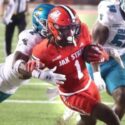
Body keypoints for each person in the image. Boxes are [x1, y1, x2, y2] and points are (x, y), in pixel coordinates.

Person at [30, 5, 120, 125]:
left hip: (88, 84)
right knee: (109, 115)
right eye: (66, 29)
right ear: (53, 27)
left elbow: (92, 51)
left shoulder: (82, 29)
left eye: (73, 27)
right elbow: (27, 70)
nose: (72, 32)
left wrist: (102, 55)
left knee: (89, 122)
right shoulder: (43, 50)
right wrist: (40, 74)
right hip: (71, 94)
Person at [0, 3, 66, 102]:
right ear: (40, 23)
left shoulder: (54, 41)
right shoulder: (31, 37)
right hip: (3, 79)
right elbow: (17, 64)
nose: (56, 26)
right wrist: (40, 74)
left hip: (9, 87)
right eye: (51, 23)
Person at [87, 0, 125, 121]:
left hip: (118, 59)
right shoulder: (110, 12)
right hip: (96, 58)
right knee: (89, 117)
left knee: (122, 97)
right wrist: (97, 75)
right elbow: (95, 47)